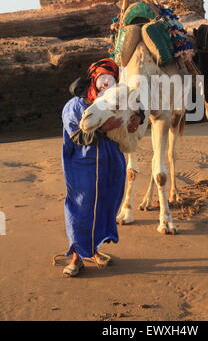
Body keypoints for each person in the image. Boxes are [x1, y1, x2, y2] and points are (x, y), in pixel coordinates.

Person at [60, 58, 143, 277]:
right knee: (82, 208)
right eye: (102, 78)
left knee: (106, 206)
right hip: (83, 164)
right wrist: (105, 127)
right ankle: (77, 257)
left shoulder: (118, 101)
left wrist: (133, 123)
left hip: (111, 162)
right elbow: (76, 136)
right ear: (93, 79)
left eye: (111, 79)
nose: (106, 84)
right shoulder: (76, 106)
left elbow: (132, 119)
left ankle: (94, 250)